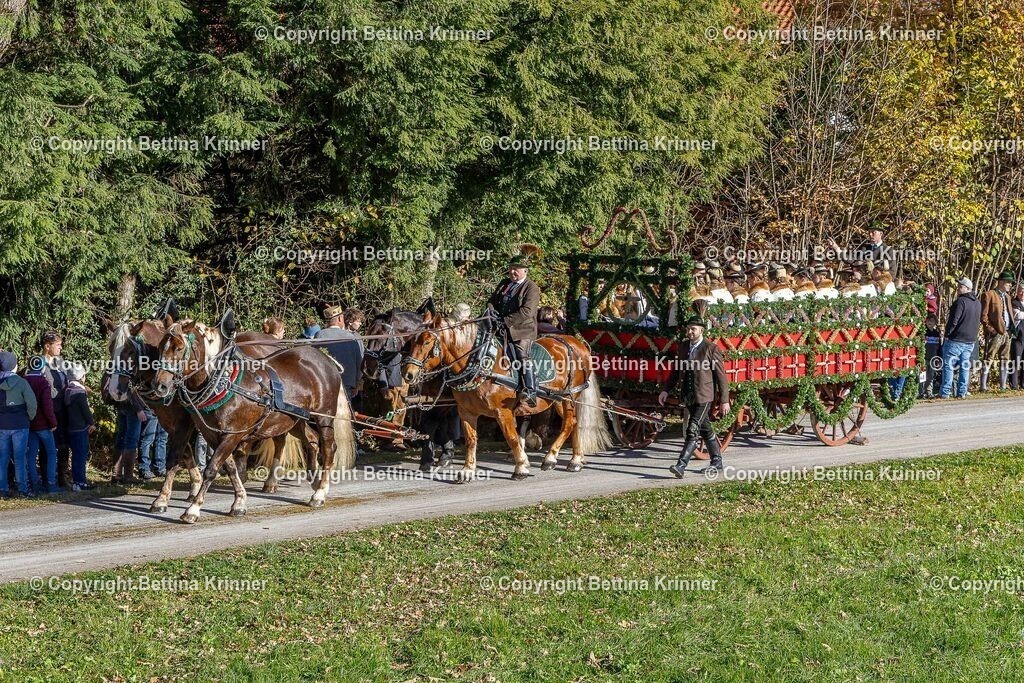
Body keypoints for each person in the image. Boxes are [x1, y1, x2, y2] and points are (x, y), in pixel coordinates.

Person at [658, 316, 730, 477]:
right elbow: (676, 371)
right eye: (688, 328)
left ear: (701, 330)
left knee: (693, 429)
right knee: (706, 429)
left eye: (693, 329)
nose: (690, 332)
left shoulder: (710, 348)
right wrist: (666, 390)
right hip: (688, 395)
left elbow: (721, 377)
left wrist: (724, 400)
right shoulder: (683, 347)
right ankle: (717, 462)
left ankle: (681, 465)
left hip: (704, 396)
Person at [487, 251, 542, 407]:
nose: (512, 272)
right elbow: (491, 301)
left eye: (516, 269)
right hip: (499, 327)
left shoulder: (531, 288)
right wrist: (491, 312)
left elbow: (527, 311)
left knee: (522, 355)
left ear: (525, 270)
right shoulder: (504, 283)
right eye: (511, 268)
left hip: (522, 330)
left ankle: (530, 390)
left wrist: (505, 321)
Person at [0, 351, 38, 498]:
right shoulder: (22, 382)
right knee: (20, 458)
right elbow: (32, 404)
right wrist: (29, 417)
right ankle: (22, 488)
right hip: (20, 425)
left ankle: (2, 488)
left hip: (2, 425)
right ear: (14, 366)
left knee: (2, 457)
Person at [940, 277, 982, 399]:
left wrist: (947, 334)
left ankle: (945, 392)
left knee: (948, 365)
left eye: (961, 287)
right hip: (970, 340)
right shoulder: (977, 303)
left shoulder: (961, 302)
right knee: (964, 366)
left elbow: (954, 321)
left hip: (956, 339)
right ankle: (962, 392)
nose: (958, 289)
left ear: (968, 288)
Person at [39, 331, 70, 488]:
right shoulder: (38, 363)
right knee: (47, 445)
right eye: (57, 345)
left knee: (64, 443)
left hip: (63, 409)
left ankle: (62, 477)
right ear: (47, 346)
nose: (60, 347)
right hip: (47, 410)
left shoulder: (60, 362)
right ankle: (46, 478)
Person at [23, 356, 59, 493]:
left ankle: (35, 484)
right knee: (51, 453)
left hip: (30, 424)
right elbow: (47, 406)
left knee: (31, 456)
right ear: (42, 367)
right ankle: (51, 483)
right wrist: (53, 422)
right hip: (44, 425)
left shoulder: (24, 381)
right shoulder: (43, 382)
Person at [316, 306, 364, 403]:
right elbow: (359, 362)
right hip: (346, 384)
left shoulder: (319, 335)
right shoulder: (351, 337)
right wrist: (357, 383)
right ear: (339, 318)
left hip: (325, 383)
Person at [980, 270, 1015, 391]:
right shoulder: (989, 294)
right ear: (1000, 282)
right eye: (1008, 282)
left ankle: (1003, 385)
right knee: (989, 357)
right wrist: (991, 330)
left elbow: (1009, 314)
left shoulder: (1008, 297)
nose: (1010, 285)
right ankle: (983, 386)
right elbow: (983, 316)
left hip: (1007, 332)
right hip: (995, 332)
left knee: (1005, 359)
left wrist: (1010, 330)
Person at [64, 362, 95, 490]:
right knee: (81, 456)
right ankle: (81, 481)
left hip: (70, 428)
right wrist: (92, 422)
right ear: (82, 377)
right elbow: (85, 411)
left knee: (76, 456)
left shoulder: (67, 390)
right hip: (81, 428)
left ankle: (76, 481)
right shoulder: (79, 393)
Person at [137, 406, 168, 479]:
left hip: (163, 408)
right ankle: (144, 469)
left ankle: (160, 468)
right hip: (150, 407)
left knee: (162, 438)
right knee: (147, 439)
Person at [920, 314, 942, 398]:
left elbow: (939, 347)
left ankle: (929, 391)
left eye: (932, 321)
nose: (930, 322)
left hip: (933, 358)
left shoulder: (936, 334)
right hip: (924, 358)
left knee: (931, 376)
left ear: (935, 323)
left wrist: (939, 359)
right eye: (928, 320)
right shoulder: (923, 332)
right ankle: (920, 392)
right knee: (922, 376)